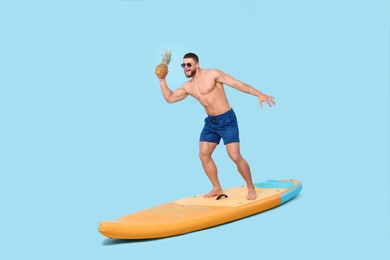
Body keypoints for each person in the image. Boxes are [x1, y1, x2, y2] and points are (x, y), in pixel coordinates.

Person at [157, 53, 275, 200]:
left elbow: (237, 84)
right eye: (183, 65)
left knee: (234, 156)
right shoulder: (188, 86)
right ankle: (217, 187)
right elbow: (170, 98)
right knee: (203, 155)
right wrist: (162, 80)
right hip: (211, 123)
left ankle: (250, 187)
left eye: (188, 64)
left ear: (197, 64)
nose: (186, 68)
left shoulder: (213, 74)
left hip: (227, 120)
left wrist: (259, 94)